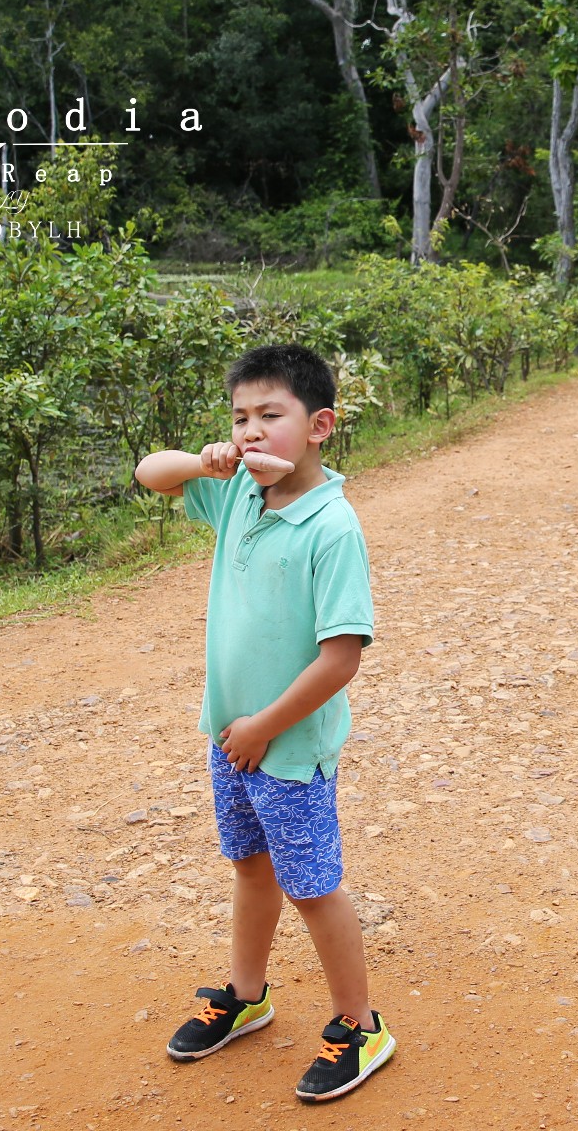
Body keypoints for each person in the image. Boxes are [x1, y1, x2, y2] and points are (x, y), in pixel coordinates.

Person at [133, 344, 393, 1100]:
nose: (251, 432)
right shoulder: (237, 496)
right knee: (250, 867)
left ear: (320, 426)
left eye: (269, 416)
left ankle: (360, 1025)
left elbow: (340, 659)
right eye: (240, 417)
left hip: (285, 748)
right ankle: (246, 996)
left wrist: (264, 728)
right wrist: (206, 461)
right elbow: (150, 475)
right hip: (231, 736)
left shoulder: (332, 528)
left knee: (313, 888)